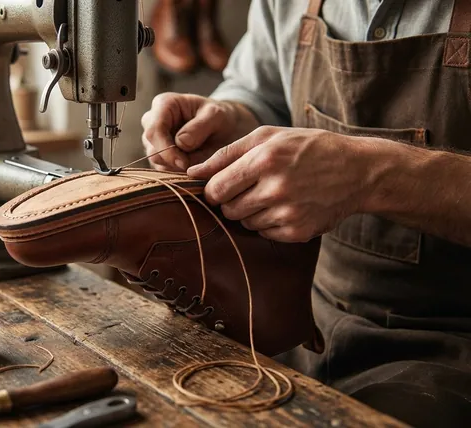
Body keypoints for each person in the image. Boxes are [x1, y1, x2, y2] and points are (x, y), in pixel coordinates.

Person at [141, 1, 471, 426]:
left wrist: (371, 173)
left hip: (454, 346)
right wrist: (228, 119)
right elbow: (261, 93)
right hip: (308, 318)